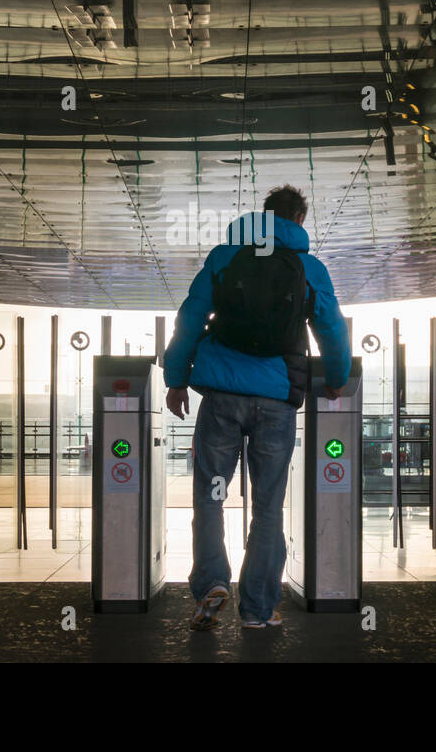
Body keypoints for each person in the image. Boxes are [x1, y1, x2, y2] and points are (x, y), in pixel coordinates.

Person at [163, 184, 350, 630]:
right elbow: (332, 328)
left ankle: (211, 583)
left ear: (263, 217)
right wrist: (337, 379)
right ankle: (257, 610)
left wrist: (176, 380)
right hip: (276, 400)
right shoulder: (308, 267)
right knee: (268, 506)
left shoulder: (225, 257)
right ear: (299, 222)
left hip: (221, 397)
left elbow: (189, 318)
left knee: (210, 496)